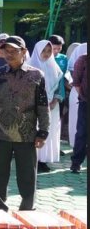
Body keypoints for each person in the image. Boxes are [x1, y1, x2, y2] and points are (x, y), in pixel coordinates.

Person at [0, 36, 50, 211]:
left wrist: (43, 132)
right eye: (7, 51)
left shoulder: (36, 75)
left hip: (26, 133)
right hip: (0, 133)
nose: (9, 54)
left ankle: (27, 207)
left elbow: (42, 105)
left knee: (27, 174)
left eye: (14, 51)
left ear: (24, 52)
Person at [29, 40, 64, 173]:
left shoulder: (54, 67)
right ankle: (33, 159)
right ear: (38, 51)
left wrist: (54, 101)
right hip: (33, 107)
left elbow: (59, 88)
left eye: (49, 51)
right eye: (43, 50)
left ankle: (43, 160)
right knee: (34, 131)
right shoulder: (30, 67)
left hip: (51, 106)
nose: (46, 53)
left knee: (49, 131)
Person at [70, 53, 87, 173]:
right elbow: (76, 83)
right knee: (82, 133)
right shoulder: (83, 59)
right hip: (86, 102)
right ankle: (76, 163)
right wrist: (84, 97)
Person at [67, 42, 86, 148]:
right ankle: (77, 147)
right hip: (79, 94)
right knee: (78, 124)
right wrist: (82, 95)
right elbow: (75, 80)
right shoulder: (82, 54)